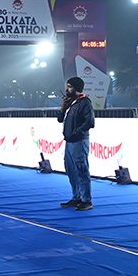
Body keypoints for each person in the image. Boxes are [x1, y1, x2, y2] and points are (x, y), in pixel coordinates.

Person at [57, 77, 95, 210]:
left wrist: (76, 132)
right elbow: (59, 119)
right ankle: (76, 197)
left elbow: (90, 122)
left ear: (76, 88)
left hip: (79, 141)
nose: (67, 89)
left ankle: (86, 201)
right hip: (69, 141)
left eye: (69, 86)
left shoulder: (85, 102)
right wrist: (63, 108)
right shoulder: (71, 103)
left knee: (81, 170)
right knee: (71, 170)